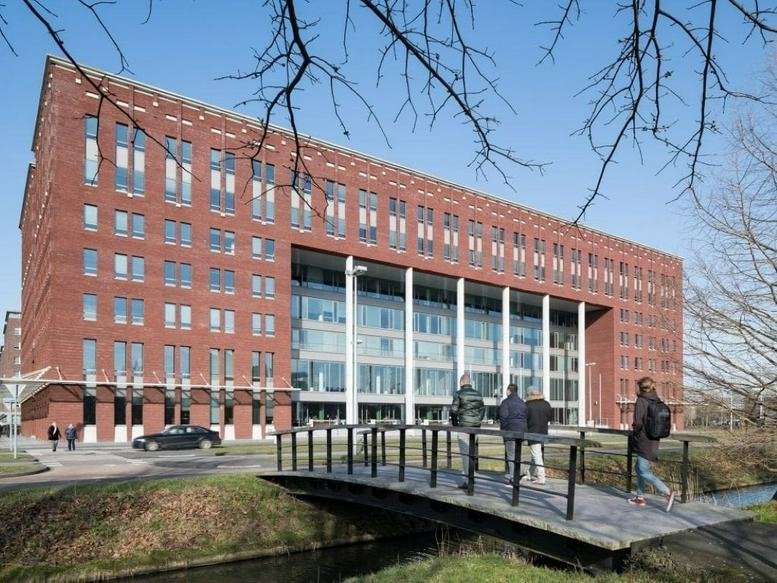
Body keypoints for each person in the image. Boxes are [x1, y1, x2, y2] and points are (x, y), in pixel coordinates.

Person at [629, 376, 675, 511]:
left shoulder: (641, 401)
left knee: (643, 471)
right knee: (639, 469)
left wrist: (635, 433)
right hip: (654, 439)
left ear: (640, 387)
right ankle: (640, 497)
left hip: (643, 440)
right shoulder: (657, 399)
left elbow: (638, 423)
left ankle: (667, 492)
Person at [450, 372, 485, 489]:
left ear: (461, 382)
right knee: (471, 453)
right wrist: (478, 421)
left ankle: (469, 481)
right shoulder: (478, 394)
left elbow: (453, 410)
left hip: (464, 426)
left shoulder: (458, 393)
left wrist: (455, 424)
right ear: (470, 382)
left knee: (465, 454)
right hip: (476, 427)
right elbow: (482, 409)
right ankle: (471, 476)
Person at [498, 383, 527, 484]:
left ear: (509, 391)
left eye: (506, 390)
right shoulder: (522, 402)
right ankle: (520, 472)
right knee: (518, 453)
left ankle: (513, 478)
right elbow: (525, 417)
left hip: (510, 431)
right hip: (521, 431)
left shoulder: (506, 402)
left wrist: (504, 432)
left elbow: (503, 417)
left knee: (511, 455)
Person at [526, 388, 552, 485]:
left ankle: (541, 477)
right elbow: (550, 417)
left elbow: (525, 418)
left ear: (530, 394)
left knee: (536, 455)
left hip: (532, 432)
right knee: (536, 453)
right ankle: (530, 473)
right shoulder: (546, 404)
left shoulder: (528, 405)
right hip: (543, 432)